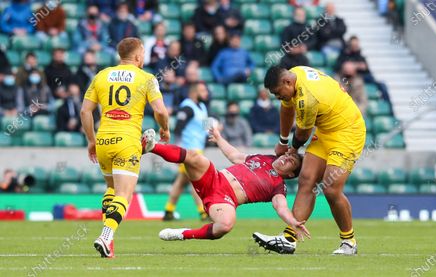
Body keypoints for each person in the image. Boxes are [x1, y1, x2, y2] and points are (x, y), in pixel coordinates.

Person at [253, 65, 366, 255]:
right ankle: (289, 239)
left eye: (278, 93)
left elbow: (303, 133)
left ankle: (349, 242)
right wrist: (282, 140)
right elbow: (287, 109)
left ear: (287, 82)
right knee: (306, 179)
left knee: (331, 189)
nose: (277, 97)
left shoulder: (308, 98)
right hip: (326, 131)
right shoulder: (295, 74)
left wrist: (292, 150)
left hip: (348, 132)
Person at [80, 37, 170, 258]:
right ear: (138, 56)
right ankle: (105, 235)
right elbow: (160, 111)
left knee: (111, 189)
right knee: (124, 194)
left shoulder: (101, 76)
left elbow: (85, 111)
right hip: (127, 140)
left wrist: (91, 140)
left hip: (103, 140)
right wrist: (164, 129)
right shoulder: (147, 78)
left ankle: (109, 243)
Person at [141, 127, 310, 242]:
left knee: (226, 224)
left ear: (290, 174)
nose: (287, 158)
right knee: (195, 157)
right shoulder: (264, 158)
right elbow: (235, 156)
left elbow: (281, 207)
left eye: (291, 162)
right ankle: (152, 146)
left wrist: (292, 222)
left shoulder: (278, 185)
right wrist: (219, 138)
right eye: (288, 155)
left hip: (224, 199)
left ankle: (183, 234)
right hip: (214, 178)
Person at [162, 82, 210, 221]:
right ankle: (203, 212)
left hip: (198, 150)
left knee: (182, 181)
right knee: (196, 180)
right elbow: (178, 128)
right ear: (194, 92)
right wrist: (178, 152)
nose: (206, 93)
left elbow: (205, 127)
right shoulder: (187, 107)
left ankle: (168, 210)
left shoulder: (202, 107)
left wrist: (213, 131)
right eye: (203, 90)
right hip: (189, 151)